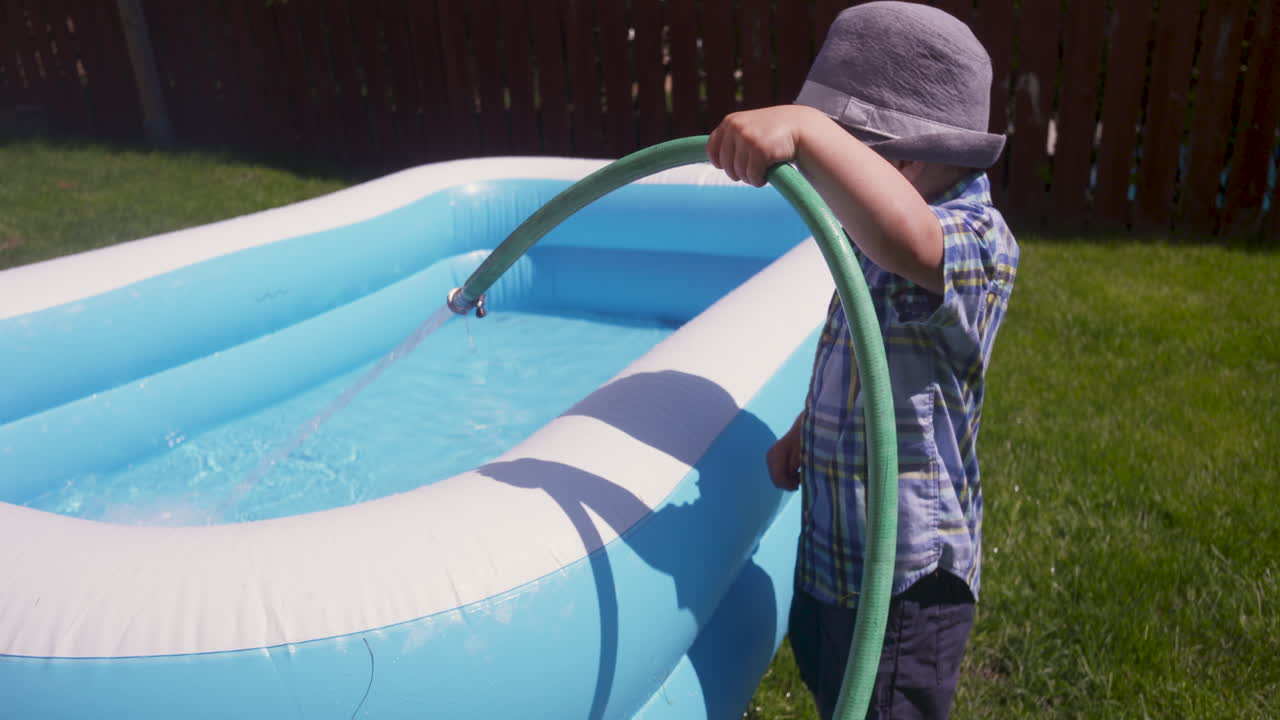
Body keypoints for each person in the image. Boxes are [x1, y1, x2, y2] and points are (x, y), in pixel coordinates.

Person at [705, 2, 1019, 718]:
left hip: (906, 580)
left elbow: (907, 237)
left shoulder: (978, 241)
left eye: (842, 155)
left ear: (904, 157)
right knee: (834, 684)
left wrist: (809, 128)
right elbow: (856, 355)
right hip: (837, 550)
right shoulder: (868, 236)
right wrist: (803, 430)